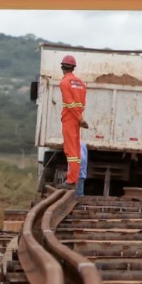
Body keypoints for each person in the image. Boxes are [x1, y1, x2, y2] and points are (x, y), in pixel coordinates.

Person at [59, 55, 88, 190]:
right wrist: (80, 117)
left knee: (70, 150)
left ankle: (71, 180)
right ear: (73, 68)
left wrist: (78, 118)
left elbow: (69, 104)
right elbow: (82, 104)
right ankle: (74, 178)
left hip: (70, 119)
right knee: (76, 150)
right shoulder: (81, 83)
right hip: (77, 119)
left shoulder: (64, 83)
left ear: (62, 68)